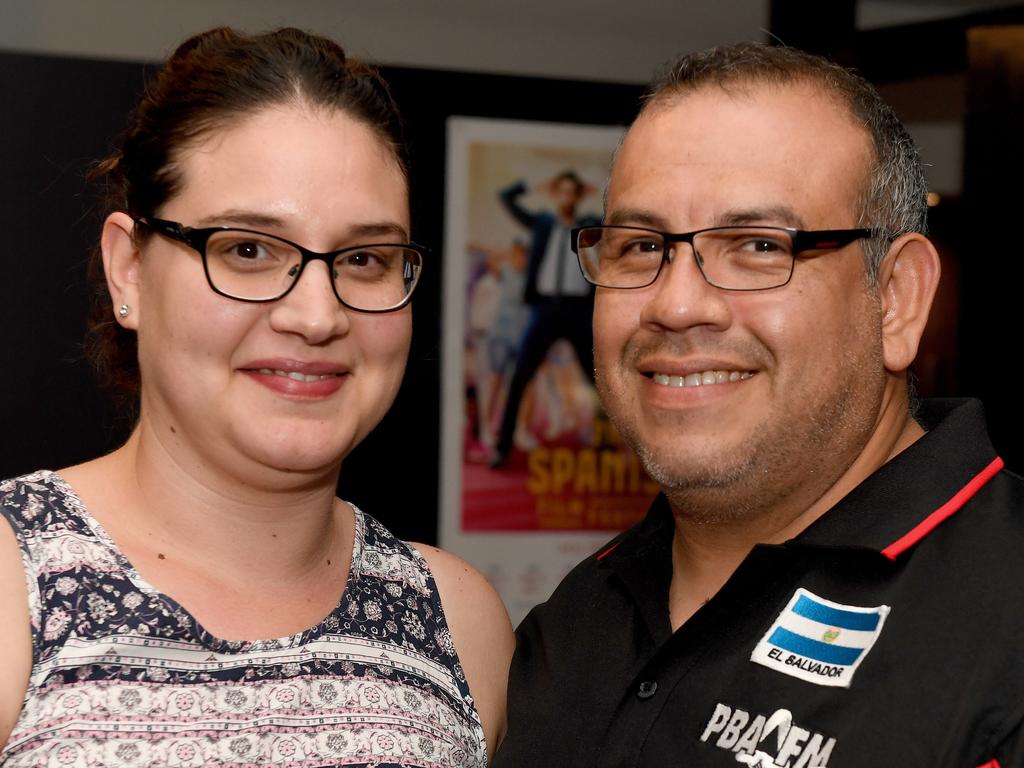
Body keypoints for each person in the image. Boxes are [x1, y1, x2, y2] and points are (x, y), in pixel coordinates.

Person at [495, 42, 1024, 767]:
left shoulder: (1005, 621)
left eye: (757, 245)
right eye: (643, 246)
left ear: (896, 299)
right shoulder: (575, 621)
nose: (678, 304)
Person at [0, 27, 513, 767]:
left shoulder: (459, 620)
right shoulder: (19, 580)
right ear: (129, 272)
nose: (316, 316)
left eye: (364, 259)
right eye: (247, 249)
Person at [489, 172, 599, 467]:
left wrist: (596, 186)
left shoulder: (589, 223)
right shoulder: (542, 223)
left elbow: (621, 214)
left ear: (577, 196)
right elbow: (505, 198)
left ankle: (606, 443)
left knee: (600, 380)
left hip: (577, 311)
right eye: (560, 191)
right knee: (520, 377)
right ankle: (502, 449)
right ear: (554, 194)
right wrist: (532, 184)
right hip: (544, 311)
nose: (565, 197)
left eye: (571, 192)